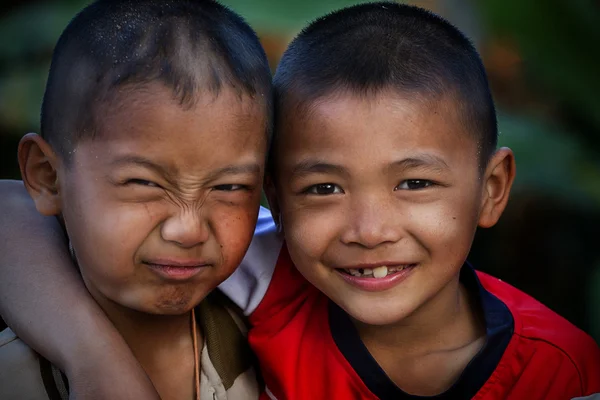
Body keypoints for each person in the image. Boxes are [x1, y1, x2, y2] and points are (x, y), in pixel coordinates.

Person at [1, 2, 600, 400]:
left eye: (414, 183)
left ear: (491, 190)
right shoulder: (270, 270)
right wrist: (97, 363)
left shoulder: (558, 369)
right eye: (324, 189)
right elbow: (12, 210)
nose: (368, 230)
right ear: (276, 201)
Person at [0, 0, 273, 399]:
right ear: (47, 177)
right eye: (144, 183)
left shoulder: (281, 316)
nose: (188, 230)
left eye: (229, 187)